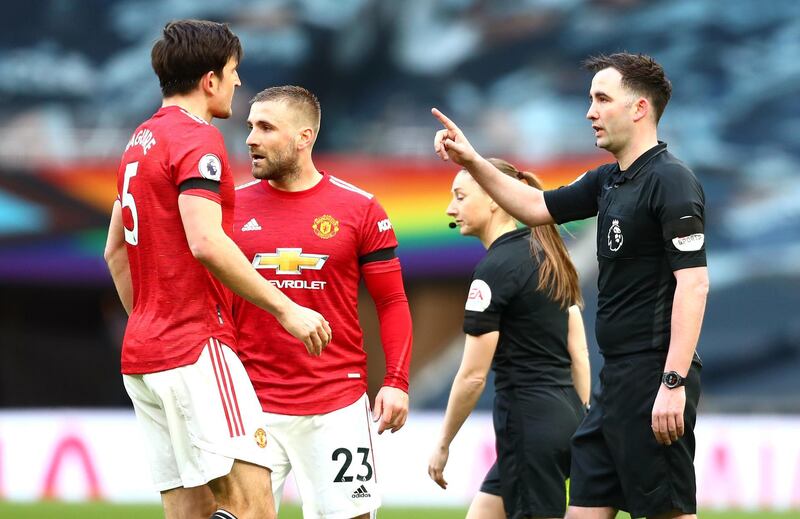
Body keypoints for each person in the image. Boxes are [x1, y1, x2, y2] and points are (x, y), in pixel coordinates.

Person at [431, 52, 708, 519]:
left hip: (654, 374)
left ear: (639, 108)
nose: (590, 112)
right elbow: (536, 207)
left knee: (668, 512)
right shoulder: (609, 181)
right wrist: (473, 160)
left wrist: (673, 381)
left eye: (602, 99)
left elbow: (694, 286)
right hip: (615, 379)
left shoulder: (672, 181)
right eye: (590, 99)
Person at [103, 21, 331, 519]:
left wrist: (149, 321)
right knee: (255, 504)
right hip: (195, 344)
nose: (238, 83)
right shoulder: (198, 141)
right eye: (233, 72)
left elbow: (115, 253)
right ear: (210, 80)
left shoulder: (137, 142)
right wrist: (286, 309)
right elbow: (206, 242)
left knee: (190, 511)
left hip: (143, 355)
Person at [232, 85, 413, 519]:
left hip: (336, 402)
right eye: (250, 126)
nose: (250, 139)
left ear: (304, 136)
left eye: (265, 127)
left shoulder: (360, 208)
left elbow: (391, 301)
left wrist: (396, 380)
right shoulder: (226, 208)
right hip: (248, 401)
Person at [427, 158, 590, 519]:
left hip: (529, 426)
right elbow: (578, 351)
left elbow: (472, 376)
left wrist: (443, 442)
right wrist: (578, 416)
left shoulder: (494, 270)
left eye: (460, 196)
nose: (450, 209)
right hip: (564, 419)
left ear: (494, 199)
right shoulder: (545, 255)